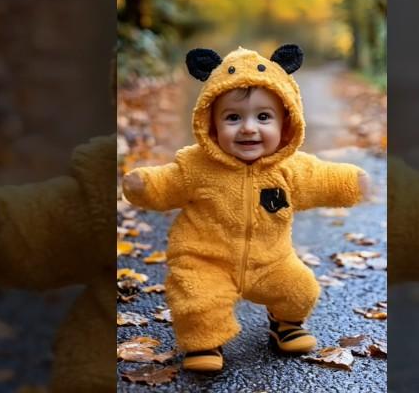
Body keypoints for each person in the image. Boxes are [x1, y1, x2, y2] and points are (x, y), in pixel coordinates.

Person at [122, 44, 370, 372]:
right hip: (204, 259)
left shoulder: (291, 168)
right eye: (233, 118)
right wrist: (143, 186)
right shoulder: (196, 165)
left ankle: (285, 324)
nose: (249, 128)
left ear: (286, 122)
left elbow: (323, 178)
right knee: (198, 302)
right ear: (211, 123)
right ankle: (205, 342)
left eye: (263, 117)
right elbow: (167, 183)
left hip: (270, 261)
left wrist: (353, 183)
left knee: (300, 289)